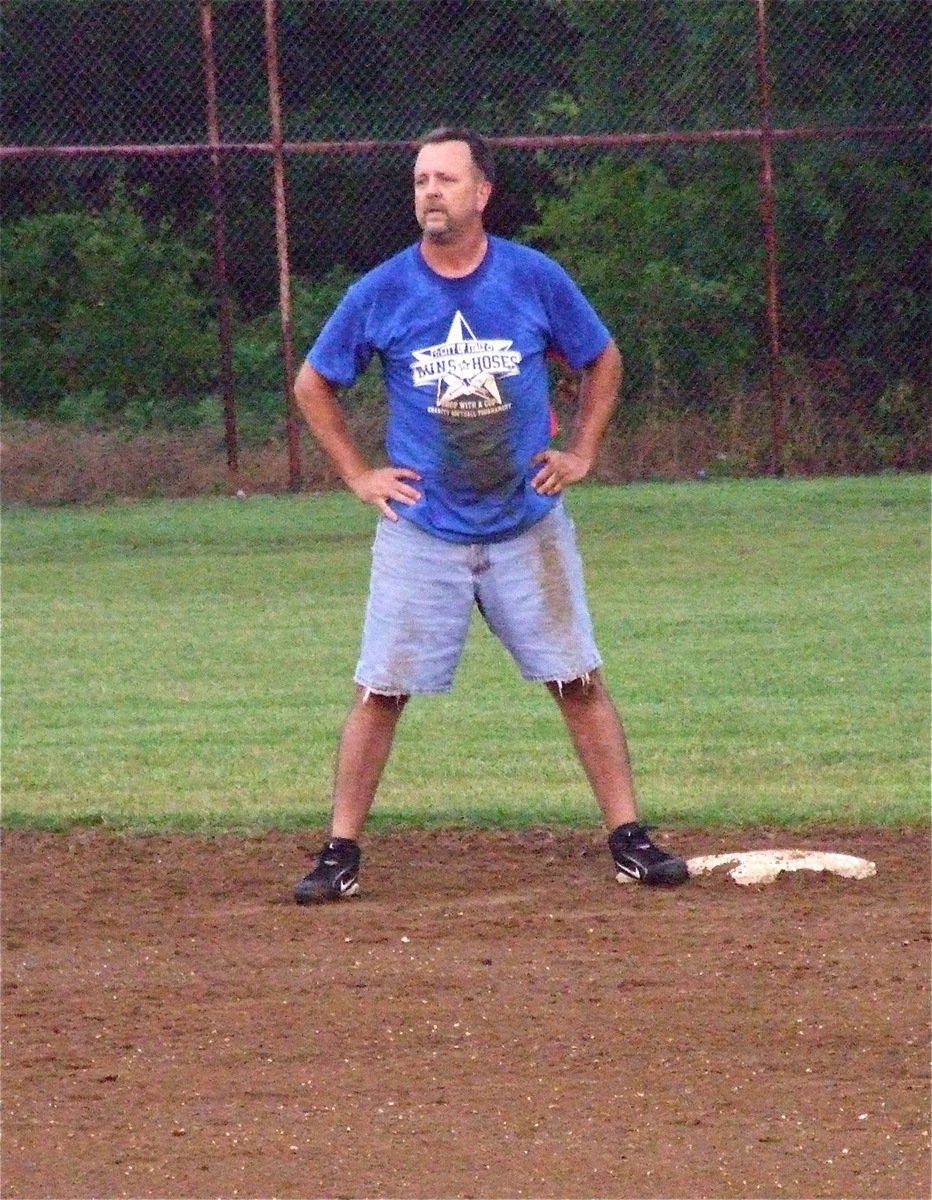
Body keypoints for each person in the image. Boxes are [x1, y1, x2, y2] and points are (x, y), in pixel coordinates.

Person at [292, 126, 688, 903]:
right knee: (380, 690)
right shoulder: (381, 290)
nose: (429, 192)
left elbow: (601, 357)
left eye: (444, 178)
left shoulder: (533, 278)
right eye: (418, 181)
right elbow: (313, 384)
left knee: (577, 680)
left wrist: (581, 451)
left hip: (526, 525)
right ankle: (340, 852)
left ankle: (629, 838)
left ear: (483, 193)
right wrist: (358, 475)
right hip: (424, 530)